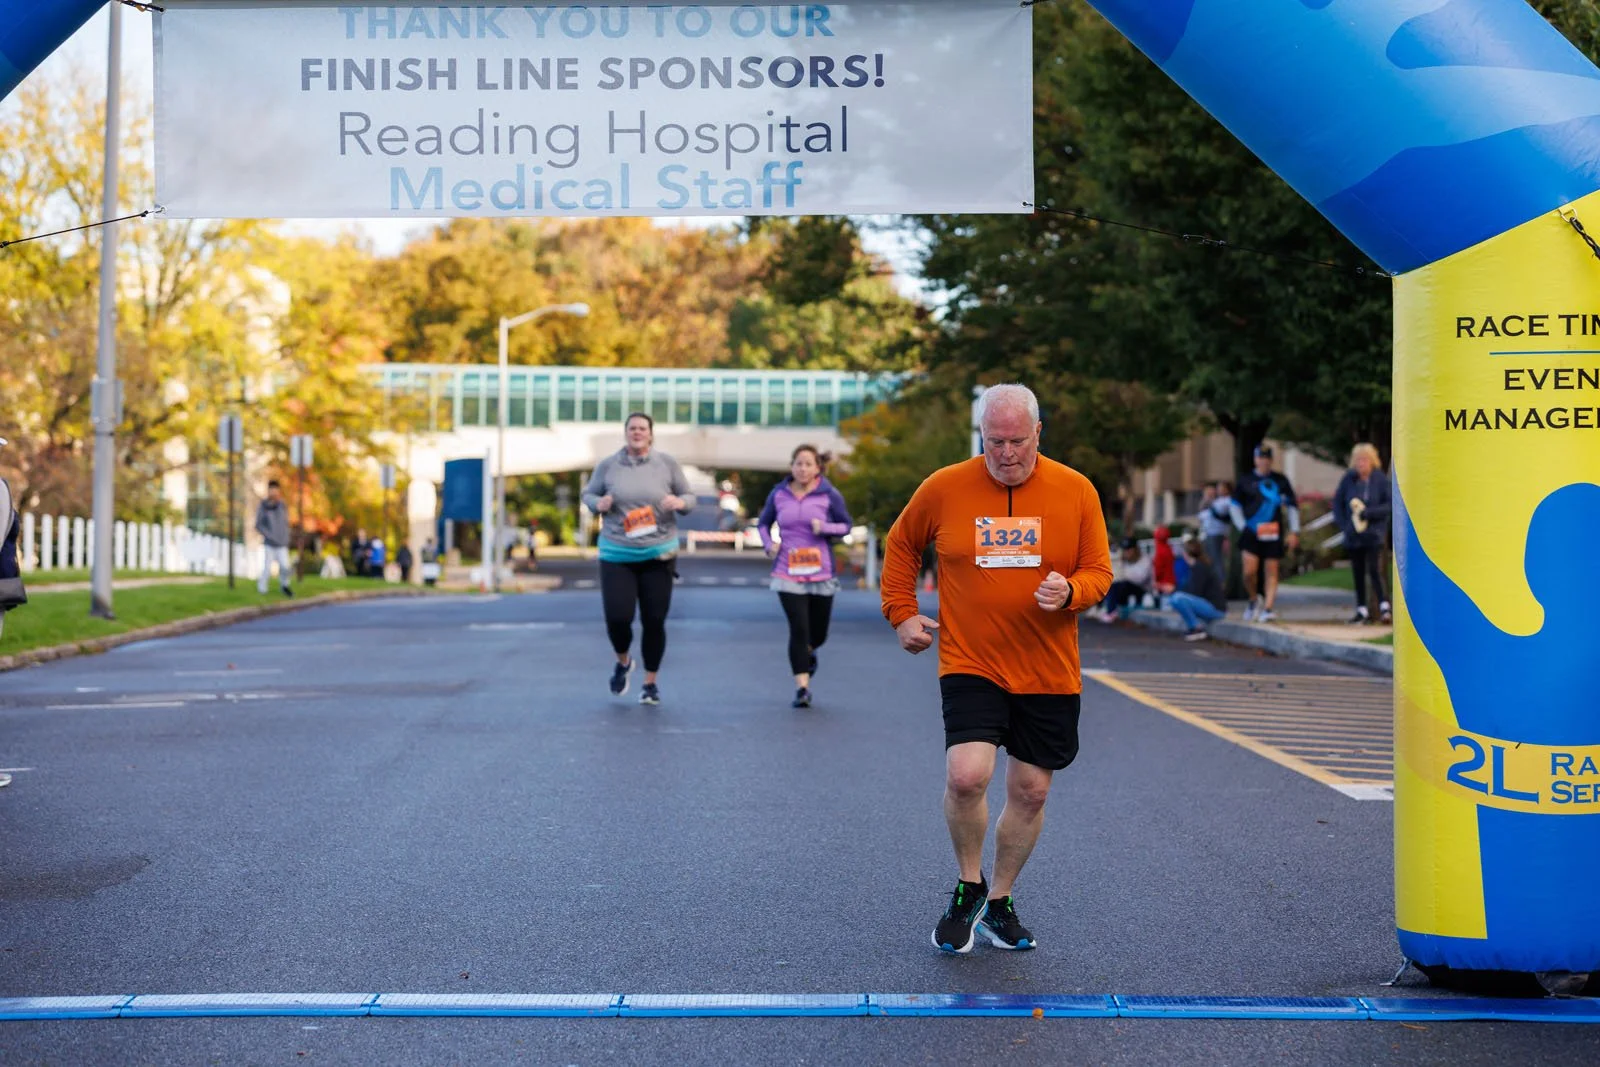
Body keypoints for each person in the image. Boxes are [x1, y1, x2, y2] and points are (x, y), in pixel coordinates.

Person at [881, 383, 1112, 954]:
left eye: (1017, 441)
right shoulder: (944, 486)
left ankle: (1000, 901)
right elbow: (902, 545)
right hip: (972, 660)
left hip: (1047, 668)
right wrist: (902, 613)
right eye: (994, 441)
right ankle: (968, 886)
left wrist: (1072, 591)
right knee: (967, 776)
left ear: (1038, 433)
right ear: (980, 436)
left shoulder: (1076, 490)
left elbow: (1099, 572)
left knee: (1031, 791)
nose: (1006, 453)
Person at [582, 412, 695, 706]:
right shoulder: (609, 465)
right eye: (632, 428)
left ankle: (650, 684)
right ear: (626, 433)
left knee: (654, 620)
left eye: (642, 428)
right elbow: (588, 494)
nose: (637, 432)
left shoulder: (666, 464)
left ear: (651, 434)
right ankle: (623, 661)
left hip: (658, 552)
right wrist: (598, 503)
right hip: (617, 551)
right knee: (618, 619)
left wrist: (679, 502)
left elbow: (689, 498)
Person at [757, 445, 852, 708]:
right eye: (798, 463)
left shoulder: (828, 494)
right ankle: (802, 688)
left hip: (821, 572)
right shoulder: (779, 494)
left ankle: (809, 651)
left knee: (818, 634)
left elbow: (846, 525)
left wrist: (825, 527)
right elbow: (763, 524)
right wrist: (769, 544)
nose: (802, 468)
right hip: (787, 571)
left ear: (817, 468)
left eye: (808, 464)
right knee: (799, 629)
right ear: (792, 466)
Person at [1231, 444, 1300, 622]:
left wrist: (1294, 531)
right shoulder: (1245, 480)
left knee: (1272, 570)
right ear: (1255, 460)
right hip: (1251, 531)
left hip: (1272, 531)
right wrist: (1243, 526)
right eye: (1260, 458)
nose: (1264, 462)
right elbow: (1235, 506)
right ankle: (1254, 599)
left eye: (1267, 458)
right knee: (1249, 572)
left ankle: (1268, 608)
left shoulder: (1280, 480)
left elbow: (1292, 506)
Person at [1332, 442, 1392, 625]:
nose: (1361, 464)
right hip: (1354, 534)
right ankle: (1361, 609)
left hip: (1373, 533)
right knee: (1357, 571)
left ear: (1372, 461)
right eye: (1358, 460)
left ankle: (1384, 606)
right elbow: (1338, 503)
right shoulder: (1349, 480)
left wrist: (1369, 513)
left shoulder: (1379, 480)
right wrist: (1345, 526)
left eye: (1364, 460)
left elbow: (1388, 505)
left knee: (1374, 569)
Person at [1168, 538, 1227, 640]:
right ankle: (1194, 626)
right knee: (1174, 598)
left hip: (1215, 608)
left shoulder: (1200, 568)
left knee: (1177, 598)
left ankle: (1196, 628)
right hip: (1211, 606)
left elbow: (1195, 592)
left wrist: (1174, 590)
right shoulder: (1196, 567)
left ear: (1186, 553)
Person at [1094, 538, 1152, 622]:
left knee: (1117, 584)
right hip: (1126, 587)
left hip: (1142, 589)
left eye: (1129, 549)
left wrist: (1122, 574)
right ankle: (1100, 608)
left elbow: (1140, 579)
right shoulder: (1123, 561)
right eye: (1125, 549)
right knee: (1109, 584)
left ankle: (1111, 611)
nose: (1126, 552)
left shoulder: (1144, 559)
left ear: (1136, 549)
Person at [254, 481, 293, 597]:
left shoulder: (282, 505)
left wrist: (286, 537)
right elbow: (258, 525)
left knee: (284, 567)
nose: (274, 493)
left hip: (282, 543)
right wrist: (269, 535)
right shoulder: (263, 506)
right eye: (272, 490)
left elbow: (286, 523)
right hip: (269, 543)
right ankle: (262, 587)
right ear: (269, 491)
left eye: (276, 490)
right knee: (267, 567)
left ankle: (285, 586)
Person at [1198, 481, 1233, 587]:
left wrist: (1210, 502)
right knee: (1210, 559)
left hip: (1216, 533)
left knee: (1217, 559)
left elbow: (1217, 513)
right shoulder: (1217, 501)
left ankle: (1221, 584)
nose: (1219, 490)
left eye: (1221, 488)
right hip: (1209, 533)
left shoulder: (1227, 501)